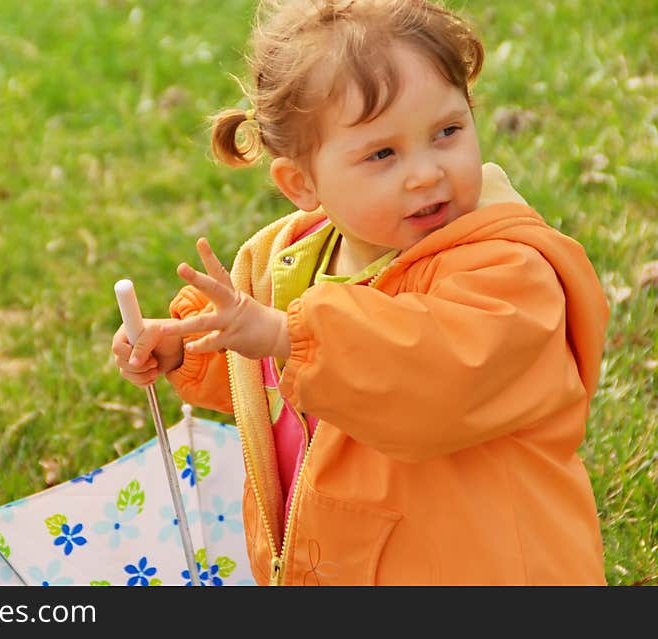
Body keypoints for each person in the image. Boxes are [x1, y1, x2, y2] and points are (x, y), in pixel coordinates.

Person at [112, 0, 609, 585]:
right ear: (301, 182)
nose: (426, 172)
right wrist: (192, 344)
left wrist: (281, 334)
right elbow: (278, 387)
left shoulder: (509, 272)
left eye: (447, 131)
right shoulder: (291, 261)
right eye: (383, 153)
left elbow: (429, 372)